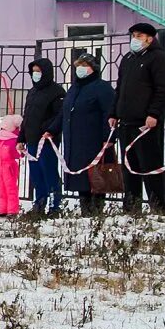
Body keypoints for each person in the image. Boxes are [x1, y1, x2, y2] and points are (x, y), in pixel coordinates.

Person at [109, 22, 165, 213]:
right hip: (126, 122)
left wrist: (153, 114)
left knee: (149, 167)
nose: (135, 39)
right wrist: (114, 112)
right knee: (130, 168)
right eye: (133, 35)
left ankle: (158, 207)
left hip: (145, 124)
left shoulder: (158, 58)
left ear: (149, 38)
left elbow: (163, 90)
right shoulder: (128, 58)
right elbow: (120, 88)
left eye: (139, 36)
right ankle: (131, 207)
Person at [46, 53, 115, 217]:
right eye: (78, 66)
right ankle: (85, 210)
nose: (80, 69)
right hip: (75, 140)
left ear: (93, 68)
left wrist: (109, 137)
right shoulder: (74, 88)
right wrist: (52, 129)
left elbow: (109, 112)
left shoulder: (102, 87)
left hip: (95, 140)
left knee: (97, 176)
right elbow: (64, 113)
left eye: (84, 66)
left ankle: (97, 210)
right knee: (80, 176)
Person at [18, 58, 66, 218]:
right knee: (36, 174)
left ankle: (55, 206)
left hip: (46, 139)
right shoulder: (32, 91)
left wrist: (48, 130)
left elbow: (59, 115)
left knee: (49, 172)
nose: (35, 74)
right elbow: (27, 116)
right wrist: (21, 138)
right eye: (33, 71)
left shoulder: (57, 91)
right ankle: (39, 203)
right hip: (32, 140)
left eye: (39, 71)